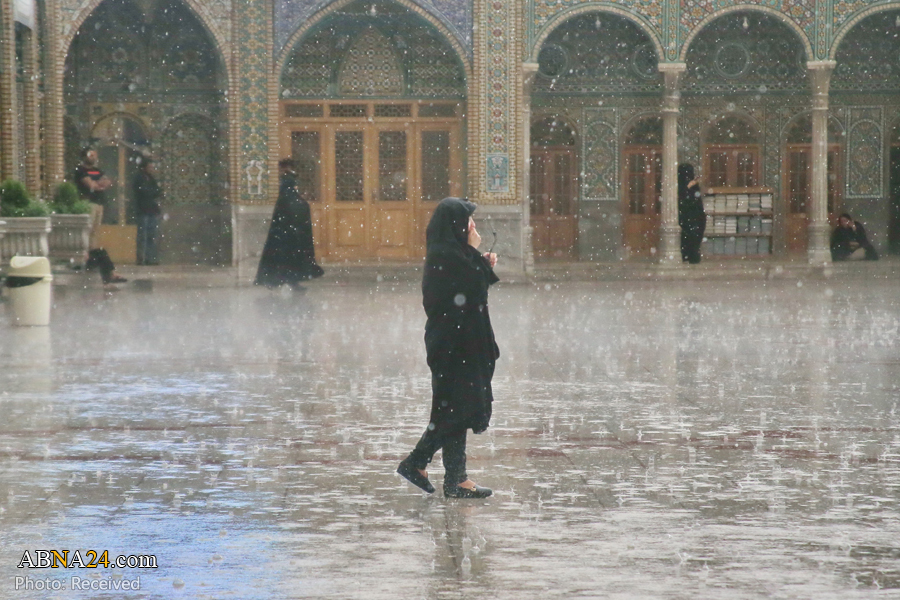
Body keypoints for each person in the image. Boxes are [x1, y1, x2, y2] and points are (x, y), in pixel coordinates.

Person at [397, 197, 500, 499]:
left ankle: (457, 479)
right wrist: (478, 255)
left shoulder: (451, 251)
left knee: (457, 408)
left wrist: (478, 259)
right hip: (454, 345)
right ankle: (417, 460)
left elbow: (473, 282)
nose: (474, 226)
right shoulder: (448, 254)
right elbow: (473, 286)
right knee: (455, 410)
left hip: (459, 342)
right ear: (456, 223)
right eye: (469, 220)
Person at [255, 159, 324, 289]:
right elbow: (289, 199)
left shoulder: (288, 181)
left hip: (287, 224)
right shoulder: (288, 181)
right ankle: (283, 280)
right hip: (289, 224)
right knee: (288, 253)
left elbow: (288, 200)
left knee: (285, 252)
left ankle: (283, 280)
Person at [74, 148, 127, 285]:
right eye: (90, 154)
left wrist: (98, 184)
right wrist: (97, 185)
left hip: (99, 204)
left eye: (94, 154)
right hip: (88, 204)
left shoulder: (97, 170)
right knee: (89, 232)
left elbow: (106, 182)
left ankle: (107, 271)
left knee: (95, 234)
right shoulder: (80, 170)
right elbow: (92, 185)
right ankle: (106, 270)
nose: (93, 157)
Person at [132, 157, 163, 265]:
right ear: (144, 167)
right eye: (149, 167)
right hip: (143, 210)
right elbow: (144, 191)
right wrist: (151, 192)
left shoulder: (151, 178)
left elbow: (158, 191)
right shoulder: (139, 178)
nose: (151, 169)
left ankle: (150, 258)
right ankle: (142, 258)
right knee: (143, 236)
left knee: (151, 236)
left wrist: (152, 192)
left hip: (152, 210)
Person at [678, 163, 706, 264]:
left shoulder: (694, 186)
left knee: (694, 237)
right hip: (686, 216)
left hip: (695, 216)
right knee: (687, 237)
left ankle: (693, 256)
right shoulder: (681, 184)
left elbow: (696, 200)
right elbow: (682, 197)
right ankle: (687, 256)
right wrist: (688, 186)